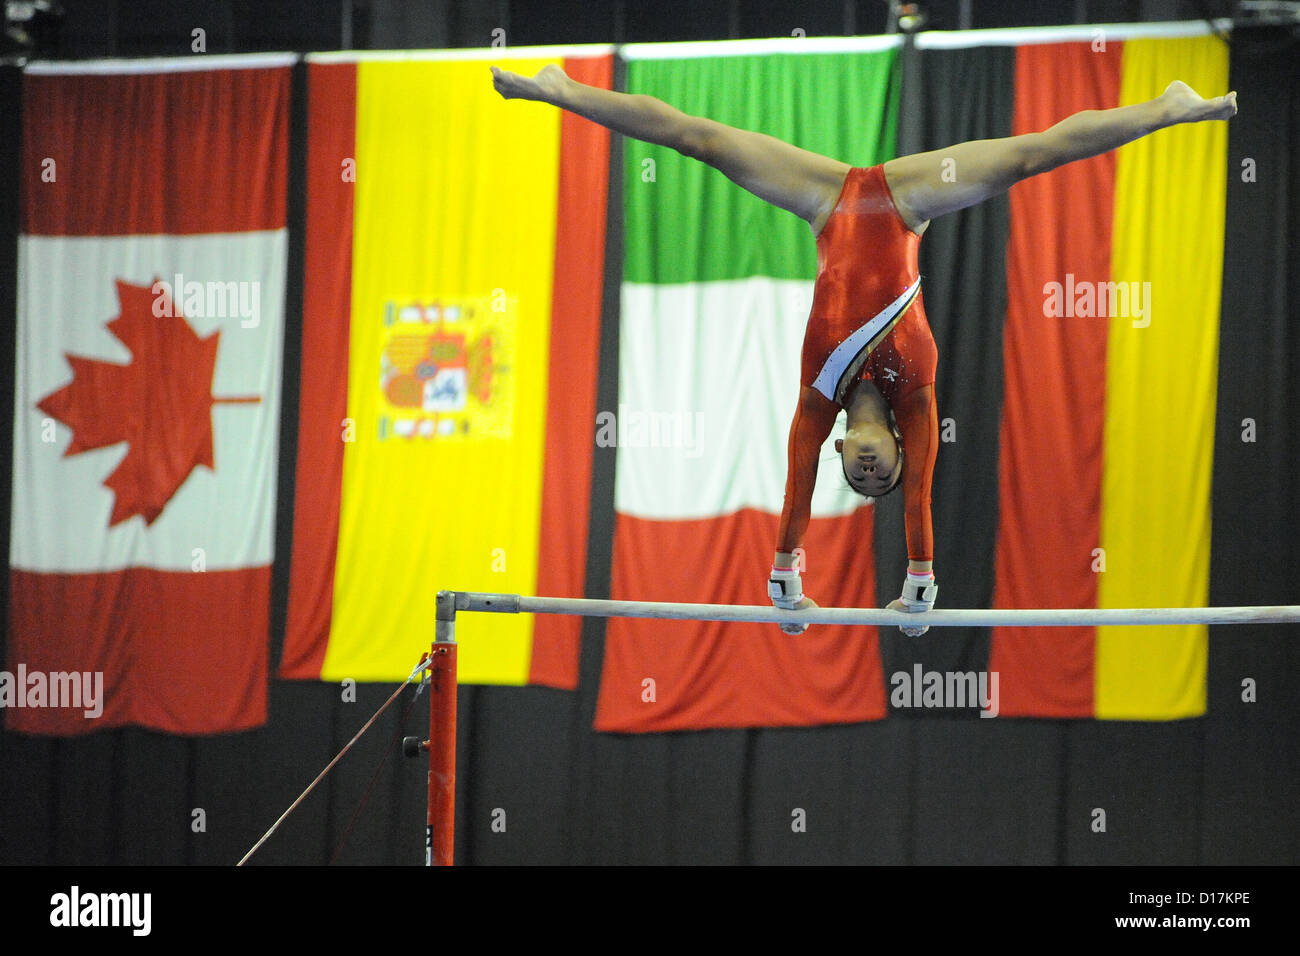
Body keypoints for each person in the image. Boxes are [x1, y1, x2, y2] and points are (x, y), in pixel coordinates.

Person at [491, 63, 1237, 635]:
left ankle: (561, 90)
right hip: (907, 203)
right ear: (902, 457)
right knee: (1025, 158)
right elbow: (919, 506)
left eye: (856, 476)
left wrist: (785, 580)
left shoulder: (819, 400)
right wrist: (920, 585)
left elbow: (792, 493)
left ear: (843, 450)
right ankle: (1165, 110)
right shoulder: (917, 401)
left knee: (700, 139)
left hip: (827, 200)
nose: (870, 473)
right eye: (881, 479)